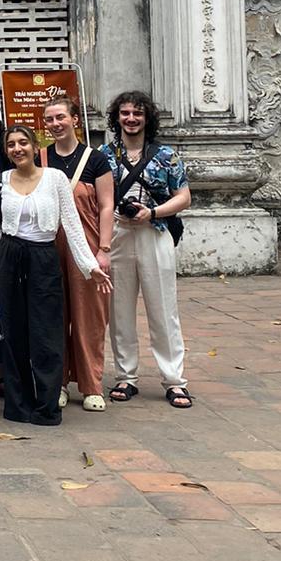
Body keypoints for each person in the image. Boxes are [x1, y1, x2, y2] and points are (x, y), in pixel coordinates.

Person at [0, 124, 110, 427]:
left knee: (46, 332)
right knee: (13, 333)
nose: (17, 149)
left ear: (34, 146)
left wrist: (90, 265)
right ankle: (18, 404)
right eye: (11, 144)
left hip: (43, 256)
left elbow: (72, 224)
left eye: (23, 143)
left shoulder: (55, 179)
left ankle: (47, 405)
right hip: (10, 257)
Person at [99, 90, 193, 408]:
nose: (131, 118)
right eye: (125, 113)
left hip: (155, 231)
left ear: (147, 118)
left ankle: (174, 380)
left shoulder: (166, 155)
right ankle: (126, 376)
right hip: (118, 234)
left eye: (137, 113)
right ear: (117, 118)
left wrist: (152, 212)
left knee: (163, 309)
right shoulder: (105, 154)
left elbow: (184, 196)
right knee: (119, 310)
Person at [41, 96, 115, 412]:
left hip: (86, 244)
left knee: (90, 316)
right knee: (54, 314)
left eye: (60, 117)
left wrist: (104, 249)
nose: (55, 124)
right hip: (48, 245)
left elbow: (106, 205)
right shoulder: (40, 157)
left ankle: (91, 385)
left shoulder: (95, 159)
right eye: (49, 119)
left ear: (75, 120)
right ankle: (57, 382)